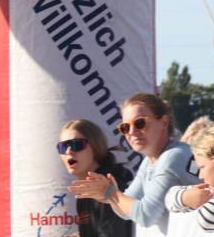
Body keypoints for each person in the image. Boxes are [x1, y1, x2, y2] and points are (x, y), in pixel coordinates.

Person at [71, 93, 199, 226]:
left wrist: (110, 193)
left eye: (139, 123)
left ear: (164, 123)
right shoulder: (150, 161)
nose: (131, 132)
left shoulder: (173, 157)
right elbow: (126, 210)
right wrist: (109, 196)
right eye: (125, 127)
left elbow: (145, 216)